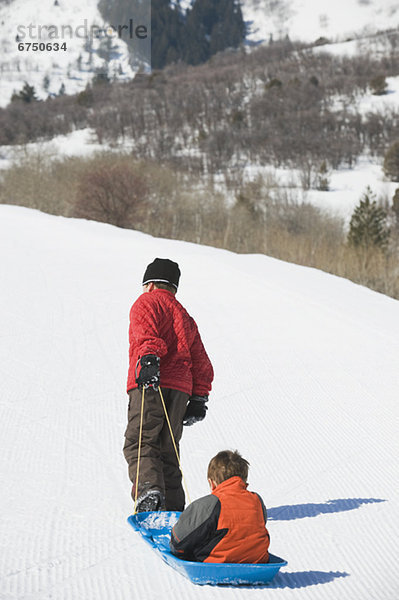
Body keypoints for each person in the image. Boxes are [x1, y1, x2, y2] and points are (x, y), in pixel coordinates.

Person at [123, 258, 214, 513]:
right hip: (180, 389)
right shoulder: (185, 316)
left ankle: (149, 494)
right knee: (168, 448)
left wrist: (149, 359)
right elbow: (201, 360)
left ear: (149, 284)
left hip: (152, 380)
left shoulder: (146, 302)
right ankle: (174, 509)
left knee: (141, 440)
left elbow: (146, 334)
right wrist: (199, 397)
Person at [170, 450, 270, 563]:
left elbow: (178, 543)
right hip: (258, 562)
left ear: (212, 483)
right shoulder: (257, 500)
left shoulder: (210, 504)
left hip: (217, 563)